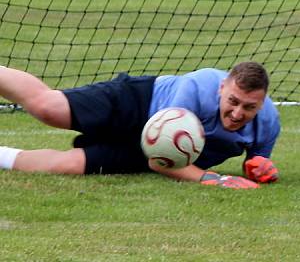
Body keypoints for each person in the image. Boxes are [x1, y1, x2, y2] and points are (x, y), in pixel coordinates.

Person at [0, 61, 280, 189]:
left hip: (153, 148)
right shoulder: (195, 87)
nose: (237, 113)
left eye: (249, 107)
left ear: (262, 102)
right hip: (137, 102)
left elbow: (256, 163)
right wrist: (213, 179)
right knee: (48, 108)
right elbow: (162, 163)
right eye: (233, 101)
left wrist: (260, 170)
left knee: (68, 166)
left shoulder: (268, 123)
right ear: (221, 88)